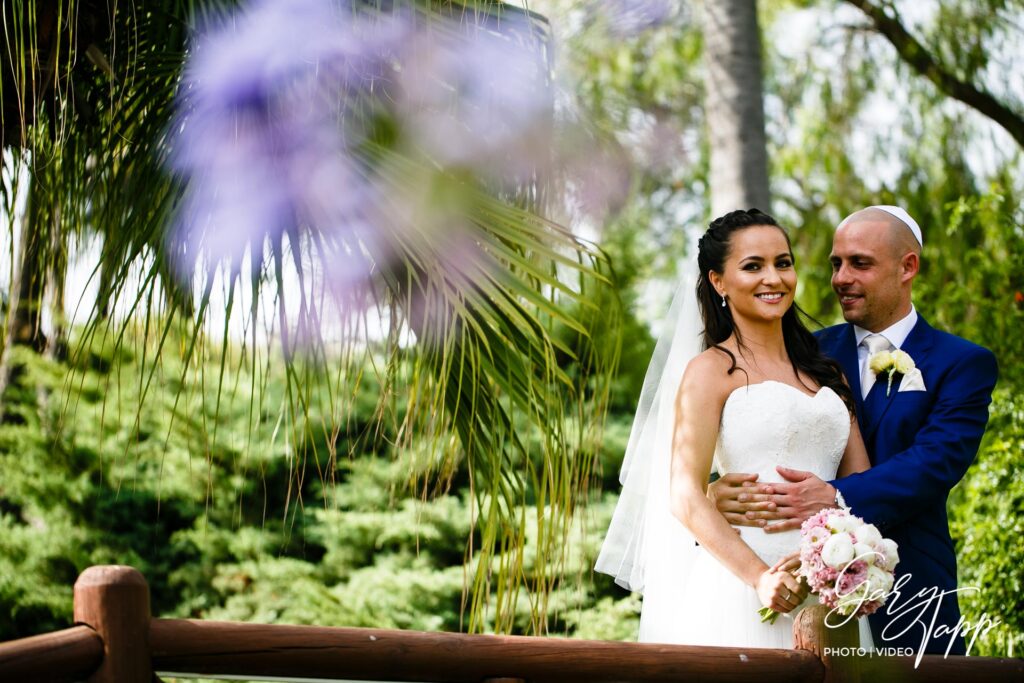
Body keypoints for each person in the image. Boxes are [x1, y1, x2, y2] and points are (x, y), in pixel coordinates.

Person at [710, 206, 998, 655]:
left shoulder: (961, 362)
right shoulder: (804, 351)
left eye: (859, 263)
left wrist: (836, 496)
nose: (841, 278)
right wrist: (717, 494)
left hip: (910, 590)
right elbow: (746, 435)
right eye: (835, 264)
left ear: (908, 267)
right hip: (793, 588)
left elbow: (935, 463)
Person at [596, 208, 873, 648]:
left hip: (829, 584)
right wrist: (761, 579)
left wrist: (843, 555)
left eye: (783, 263)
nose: (774, 278)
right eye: (753, 266)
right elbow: (685, 494)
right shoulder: (710, 371)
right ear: (718, 282)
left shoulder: (828, 373)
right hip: (742, 585)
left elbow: (861, 481)